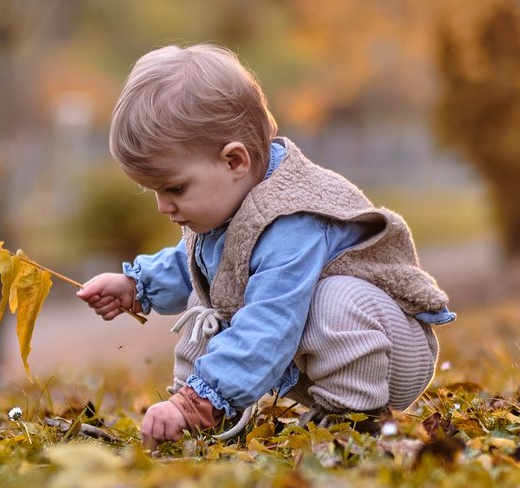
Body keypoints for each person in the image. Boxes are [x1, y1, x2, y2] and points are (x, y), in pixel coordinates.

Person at [77, 43, 455, 445]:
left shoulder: (291, 219)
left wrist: (197, 402)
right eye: (153, 191)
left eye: (174, 188)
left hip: (391, 352)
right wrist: (138, 286)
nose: (162, 206)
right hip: (328, 352)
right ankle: (202, 407)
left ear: (234, 161)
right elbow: (199, 263)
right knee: (208, 296)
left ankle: (354, 421)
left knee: (332, 299)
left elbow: (271, 322)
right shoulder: (232, 204)